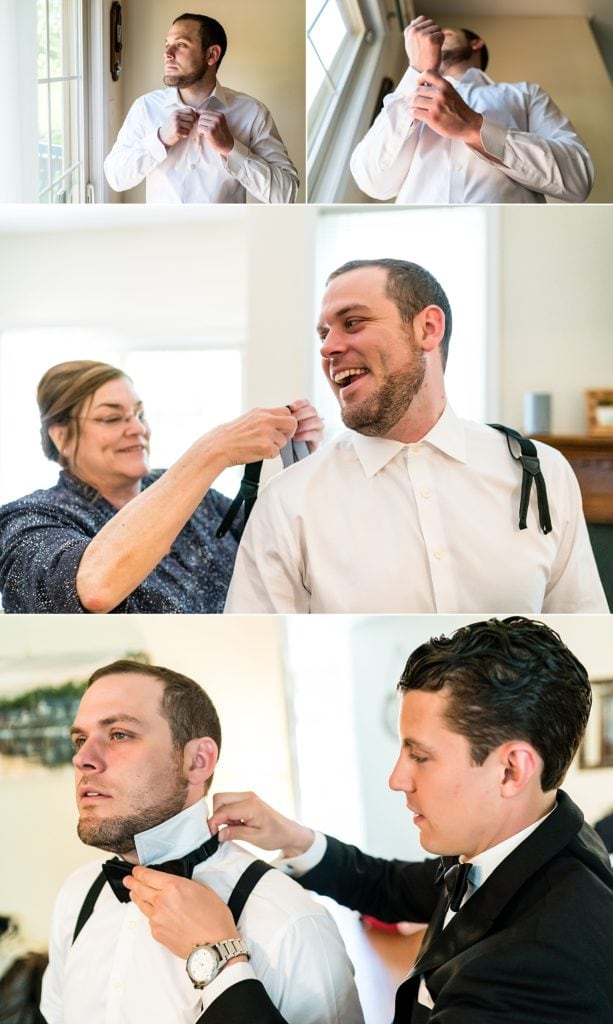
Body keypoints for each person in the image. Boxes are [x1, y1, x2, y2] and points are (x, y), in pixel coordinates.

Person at [198, 616, 613, 1022]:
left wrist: (219, 958)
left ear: (511, 771)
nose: (396, 779)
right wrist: (291, 837)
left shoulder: (539, 967)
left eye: (420, 756)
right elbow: (391, 886)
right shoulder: (538, 838)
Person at [225, 258, 607, 613]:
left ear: (427, 329)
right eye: (324, 334)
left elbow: (580, 618)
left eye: (353, 322)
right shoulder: (286, 501)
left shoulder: (544, 474)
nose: (328, 348)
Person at [40, 660, 363, 1024]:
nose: (82, 759)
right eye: (80, 740)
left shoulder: (292, 925)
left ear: (197, 761)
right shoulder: (76, 896)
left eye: (118, 734)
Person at [0, 360, 322, 613]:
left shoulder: (195, 498)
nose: (138, 429)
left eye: (139, 414)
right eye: (112, 419)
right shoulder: (28, 519)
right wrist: (213, 450)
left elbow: (286, 551)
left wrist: (306, 461)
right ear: (61, 436)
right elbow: (93, 588)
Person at [350, 16, 593, 204]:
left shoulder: (526, 94)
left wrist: (475, 128)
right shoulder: (407, 95)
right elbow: (372, 181)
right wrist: (416, 70)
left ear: (476, 43)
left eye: (447, 34)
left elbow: (577, 178)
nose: (439, 37)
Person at [104, 13, 299, 203]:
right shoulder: (146, 107)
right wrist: (160, 139)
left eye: (180, 45)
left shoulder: (253, 113)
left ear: (212, 54)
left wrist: (231, 149)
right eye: (167, 45)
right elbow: (115, 178)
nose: (168, 54)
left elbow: (286, 195)